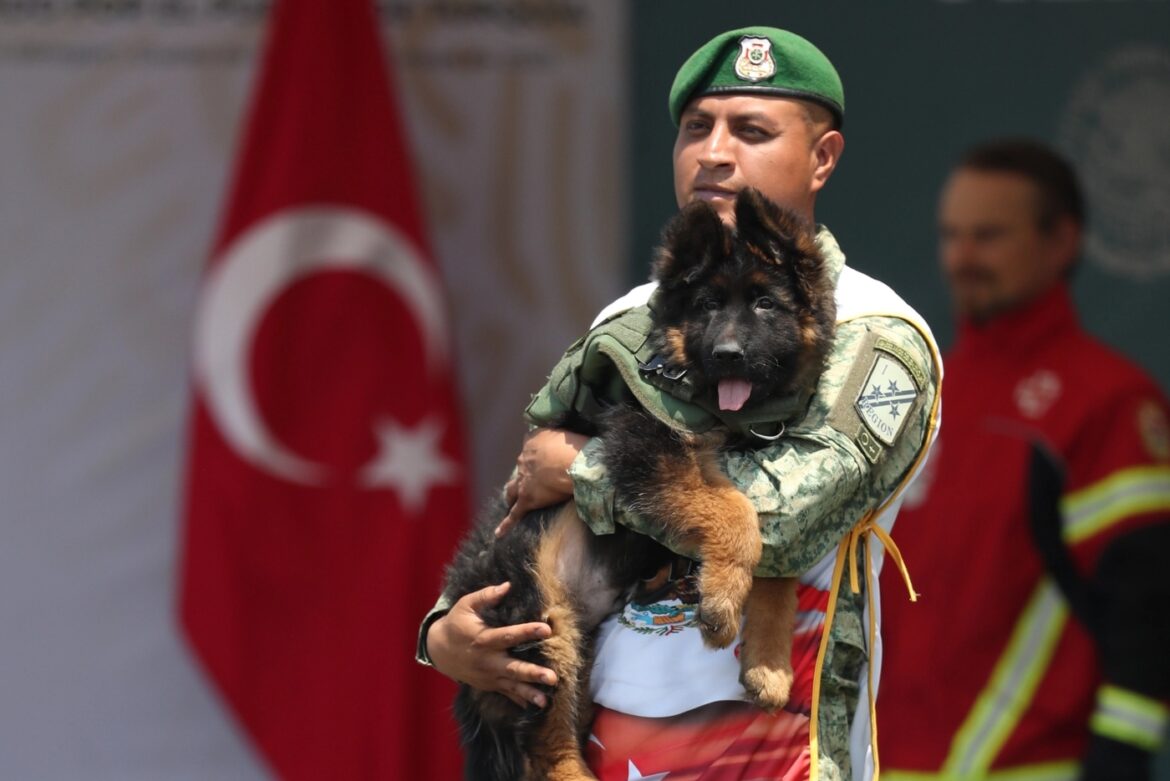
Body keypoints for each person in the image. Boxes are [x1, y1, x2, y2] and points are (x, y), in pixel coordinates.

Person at [419, 26, 943, 780]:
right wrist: (445, 632)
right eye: (697, 129)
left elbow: (779, 517)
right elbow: (531, 509)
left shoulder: (878, 331)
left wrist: (588, 468)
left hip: (772, 758)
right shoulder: (630, 317)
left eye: (752, 130)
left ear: (822, 157)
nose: (715, 152)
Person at [876, 139, 1170, 780]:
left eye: (988, 236)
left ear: (1062, 242)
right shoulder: (922, 393)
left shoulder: (1109, 400)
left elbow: (1145, 611)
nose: (962, 257)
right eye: (951, 235)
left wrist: (1120, 760)